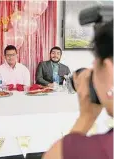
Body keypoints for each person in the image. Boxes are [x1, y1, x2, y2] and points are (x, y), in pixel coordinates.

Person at [42, 20, 113, 159]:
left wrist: (86, 117)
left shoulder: (92, 150)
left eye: (95, 67)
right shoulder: (43, 65)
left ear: (109, 70)